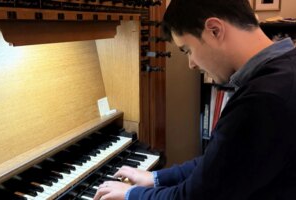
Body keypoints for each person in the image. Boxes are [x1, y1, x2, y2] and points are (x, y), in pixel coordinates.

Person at [93, 0, 296, 199]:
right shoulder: (285, 68)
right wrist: (155, 178)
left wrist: (130, 194)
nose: (191, 64)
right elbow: (219, 163)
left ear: (215, 30)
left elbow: (195, 195)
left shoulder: (262, 101)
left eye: (187, 50)